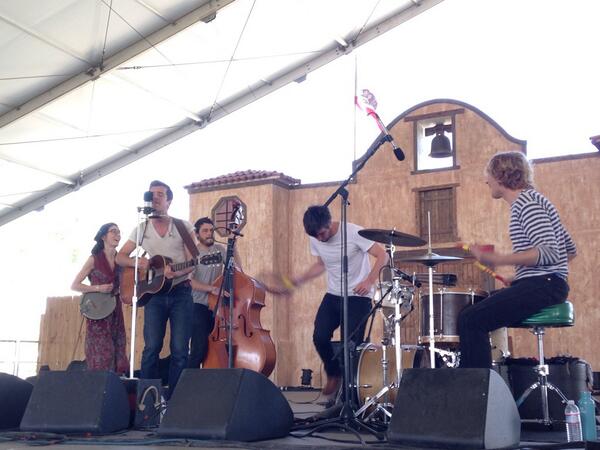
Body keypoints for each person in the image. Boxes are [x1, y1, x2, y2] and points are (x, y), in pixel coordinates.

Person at [457, 151, 577, 369]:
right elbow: (569, 250)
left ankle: (478, 388)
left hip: (545, 285)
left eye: (488, 175)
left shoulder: (527, 203)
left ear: (501, 175)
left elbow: (549, 251)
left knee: (471, 320)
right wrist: (522, 277)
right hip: (545, 283)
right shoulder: (533, 201)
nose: (486, 181)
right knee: (474, 308)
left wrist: (498, 259)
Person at [288, 205, 388, 395]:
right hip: (334, 294)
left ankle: (351, 395)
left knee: (350, 346)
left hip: (358, 296)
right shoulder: (314, 236)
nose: (319, 239)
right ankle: (334, 374)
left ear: (329, 223)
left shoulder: (354, 232)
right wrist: (300, 279)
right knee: (319, 336)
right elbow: (321, 265)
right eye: (315, 236)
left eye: (322, 234)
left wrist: (369, 281)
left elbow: (383, 255)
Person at [116, 180, 196, 397]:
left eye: (160, 194)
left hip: (181, 292)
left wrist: (175, 273)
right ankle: (147, 398)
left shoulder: (183, 226)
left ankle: (176, 399)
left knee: (180, 349)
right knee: (151, 347)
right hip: (154, 294)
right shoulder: (141, 228)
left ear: (169, 201)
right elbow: (120, 257)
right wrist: (138, 262)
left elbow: (194, 262)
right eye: (152, 194)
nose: (155, 198)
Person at [71, 223, 129, 374]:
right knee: (101, 350)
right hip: (98, 312)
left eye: (119, 232)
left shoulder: (121, 260)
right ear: (103, 236)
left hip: (116, 310)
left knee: (119, 346)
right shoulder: (94, 259)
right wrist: (98, 288)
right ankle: (99, 382)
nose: (118, 235)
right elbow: (75, 285)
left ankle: (116, 383)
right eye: (113, 231)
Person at [187, 217, 243, 368]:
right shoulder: (192, 253)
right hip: (198, 305)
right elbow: (189, 281)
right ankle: (187, 380)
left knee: (218, 347)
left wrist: (233, 246)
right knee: (199, 348)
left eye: (211, 230)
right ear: (197, 234)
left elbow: (238, 270)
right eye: (205, 231)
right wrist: (212, 289)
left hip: (218, 307)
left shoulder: (220, 250)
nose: (209, 233)